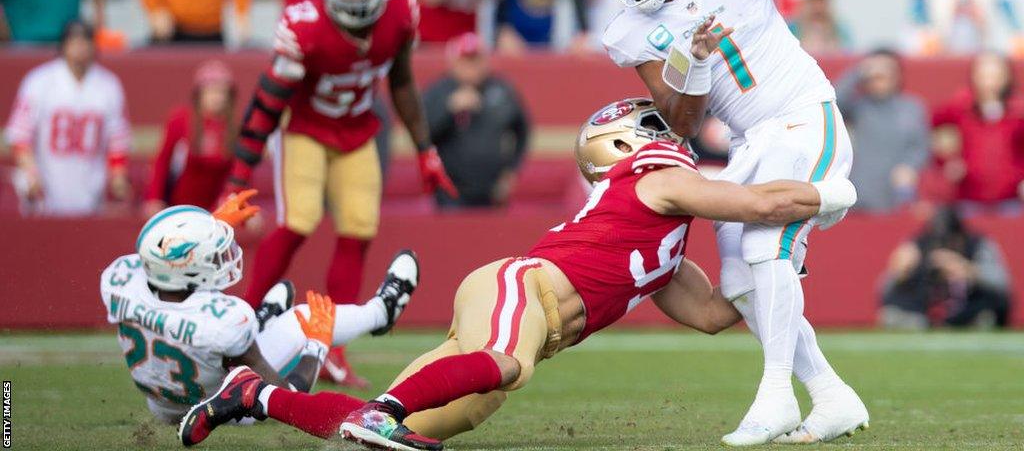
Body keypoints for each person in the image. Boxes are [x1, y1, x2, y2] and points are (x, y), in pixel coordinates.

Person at [176, 98, 859, 450]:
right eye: (652, 124)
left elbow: (714, 315)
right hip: (522, 286)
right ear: (623, 142)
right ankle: (382, 413)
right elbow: (759, 200)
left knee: (439, 417)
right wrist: (830, 197)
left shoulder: (663, 249)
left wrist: (782, 263)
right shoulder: (654, 177)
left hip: (532, 312)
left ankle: (252, 395)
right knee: (505, 365)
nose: (669, 135)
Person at [597, 0, 868, 444]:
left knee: (765, 248)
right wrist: (693, 60)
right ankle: (832, 395)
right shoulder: (627, 33)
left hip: (802, 114)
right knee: (740, 281)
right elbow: (683, 120)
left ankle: (775, 398)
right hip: (751, 144)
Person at [224, 0, 456, 388]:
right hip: (306, 130)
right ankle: (244, 325)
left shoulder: (399, 10)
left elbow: (403, 82)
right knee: (300, 221)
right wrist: (238, 175)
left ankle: (330, 348)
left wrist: (426, 149)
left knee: (358, 229)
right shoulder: (304, 26)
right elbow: (268, 103)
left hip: (357, 131)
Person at [100, 191, 420, 424]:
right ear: (186, 268)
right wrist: (316, 346)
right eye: (210, 256)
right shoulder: (224, 319)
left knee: (230, 339)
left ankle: (262, 322)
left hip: (162, 406)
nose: (220, 260)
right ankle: (382, 311)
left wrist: (210, 224)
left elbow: (156, 255)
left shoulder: (119, 280)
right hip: (224, 407)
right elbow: (285, 395)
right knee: (305, 317)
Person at [4, 20, 130, 215]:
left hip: (91, 187)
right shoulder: (39, 81)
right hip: (47, 184)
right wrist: (31, 172)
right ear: (63, 44)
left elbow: (117, 139)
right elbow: (19, 135)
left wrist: (117, 177)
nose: (80, 46)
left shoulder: (108, 85)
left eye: (85, 39)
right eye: (74, 39)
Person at [423, 33, 530, 208]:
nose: (472, 67)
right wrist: (448, 110)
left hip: (492, 191)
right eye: (466, 60)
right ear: (454, 63)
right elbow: (424, 137)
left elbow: (522, 130)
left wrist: (511, 172)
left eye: (476, 60)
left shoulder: (501, 90)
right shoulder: (439, 91)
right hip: (450, 192)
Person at [880, 206, 1011, 329]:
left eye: (950, 241)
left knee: (989, 310)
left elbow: (1003, 285)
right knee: (891, 313)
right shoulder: (917, 246)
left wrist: (969, 270)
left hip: (969, 309)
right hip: (922, 312)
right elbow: (883, 292)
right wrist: (900, 272)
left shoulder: (977, 245)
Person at [836, 49, 929, 211]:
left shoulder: (912, 107)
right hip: (860, 198)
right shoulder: (859, 107)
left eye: (887, 69)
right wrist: (858, 72)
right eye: (874, 71)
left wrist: (910, 166)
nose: (880, 76)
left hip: (895, 197)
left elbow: (921, 147)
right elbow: (831, 105)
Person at [932, 52, 1024, 210]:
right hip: (969, 199)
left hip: (1012, 200)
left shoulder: (1019, 109)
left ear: (1007, 77)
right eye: (984, 75)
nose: (989, 82)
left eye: (995, 75)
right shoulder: (960, 106)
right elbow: (933, 130)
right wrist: (948, 161)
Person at [143, 61, 238, 214]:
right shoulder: (181, 120)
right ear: (199, 94)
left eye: (222, 92)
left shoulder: (233, 129)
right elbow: (162, 160)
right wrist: (154, 198)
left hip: (214, 212)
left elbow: (236, 173)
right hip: (176, 207)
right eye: (212, 91)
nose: (218, 98)